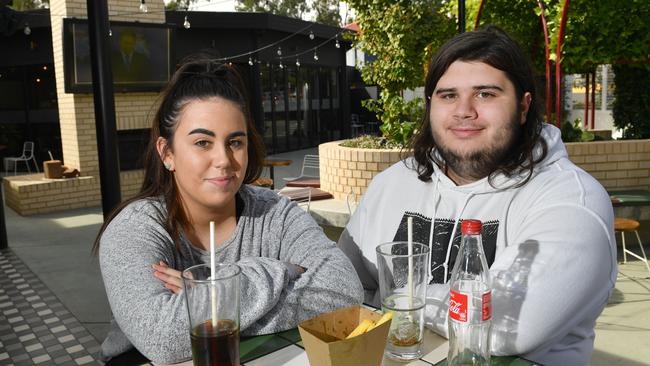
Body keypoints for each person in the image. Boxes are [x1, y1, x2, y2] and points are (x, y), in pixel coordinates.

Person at [338, 26, 616, 366]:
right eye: (448, 95)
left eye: (485, 94)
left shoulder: (573, 200)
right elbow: (342, 288)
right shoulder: (391, 184)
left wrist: (395, 295)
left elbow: (511, 324)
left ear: (524, 106)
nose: (464, 110)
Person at [95, 54, 363, 364]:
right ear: (167, 153)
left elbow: (344, 292)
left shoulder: (275, 212)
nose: (223, 160)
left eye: (235, 142)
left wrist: (213, 293)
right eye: (202, 143)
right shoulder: (135, 229)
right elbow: (163, 338)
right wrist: (283, 271)